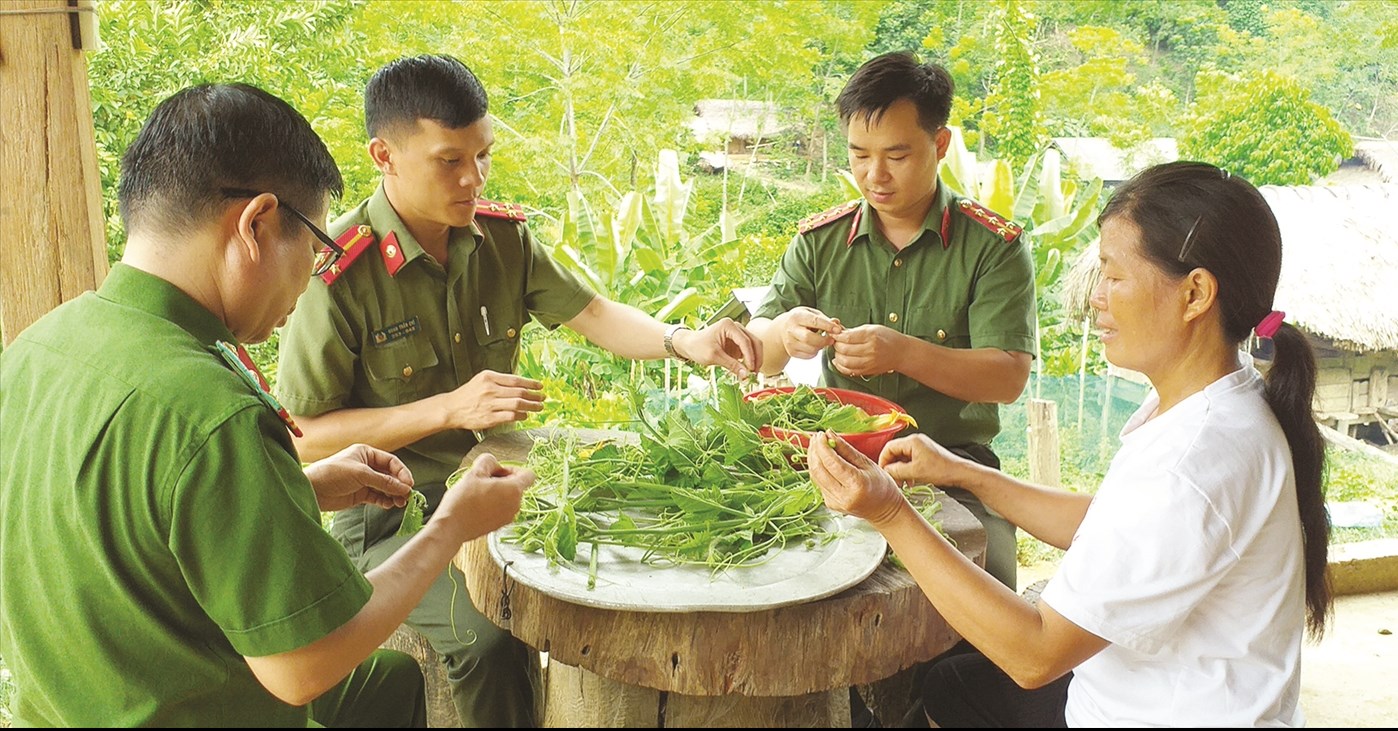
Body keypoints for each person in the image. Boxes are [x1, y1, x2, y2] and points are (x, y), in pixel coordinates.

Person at [0, 83, 535, 727]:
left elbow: (123, 517)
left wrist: (298, 487)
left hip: (77, 693)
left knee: (391, 682)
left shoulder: (38, 347)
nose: (311, 275)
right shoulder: (211, 409)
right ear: (255, 226)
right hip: (205, 701)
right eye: (312, 249)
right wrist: (452, 523)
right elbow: (302, 668)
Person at [274, 54, 762, 727]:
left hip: (497, 487)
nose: (472, 178)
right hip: (391, 515)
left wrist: (686, 340)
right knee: (490, 637)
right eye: (450, 160)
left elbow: (591, 312)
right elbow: (300, 438)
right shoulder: (341, 275)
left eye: (483, 156)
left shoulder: (501, 239)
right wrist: (448, 408)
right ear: (383, 155)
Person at [806, 161, 1333, 727]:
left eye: (1113, 276)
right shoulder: (1224, 400)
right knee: (955, 685)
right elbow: (1112, 523)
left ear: (1196, 293)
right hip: (1140, 692)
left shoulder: (1191, 463)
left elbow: (1034, 654)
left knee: (971, 680)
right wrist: (963, 472)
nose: (1096, 299)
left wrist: (888, 511)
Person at [747, 51, 1035, 594]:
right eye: (859, 155)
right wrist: (784, 332)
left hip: (953, 468)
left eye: (896, 156)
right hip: (835, 464)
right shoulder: (819, 243)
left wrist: (904, 353)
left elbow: (1007, 377)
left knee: (985, 593)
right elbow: (759, 348)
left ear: (940, 145)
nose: (874, 176)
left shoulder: (992, 248)